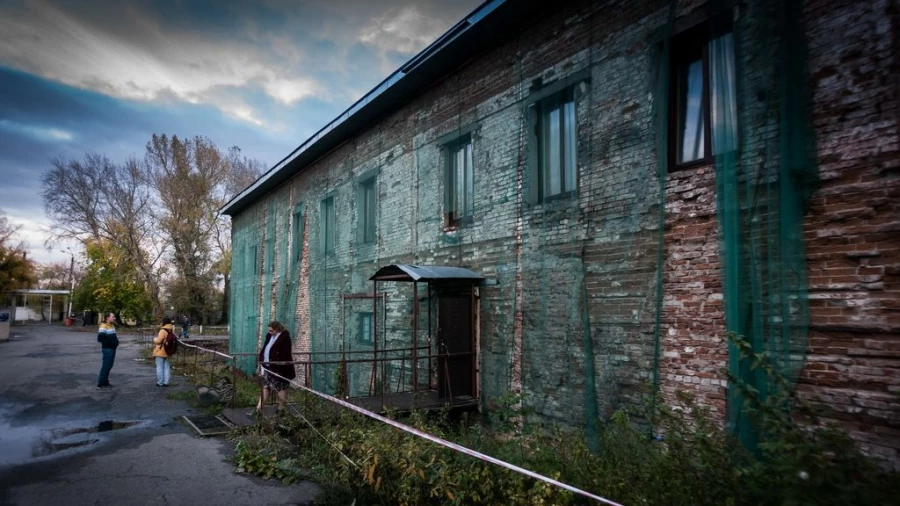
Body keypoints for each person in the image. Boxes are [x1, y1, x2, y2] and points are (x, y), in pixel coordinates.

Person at [253, 320, 296, 415]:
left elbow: (285, 353)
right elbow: (265, 348)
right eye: (269, 330)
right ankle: (259, 408)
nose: (270, 332)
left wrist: (278, 368)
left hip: (279, 368)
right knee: (266, 386)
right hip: (268, 367)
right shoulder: (269, 336)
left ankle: (281, 409)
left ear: (277, 329)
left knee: (280, 387)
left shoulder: (285, 337)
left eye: (272, 330)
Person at [96, 312, 119, 389]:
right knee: (106, 366)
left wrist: (115, 343)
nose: (114, 318)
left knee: (109, 365)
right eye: (113, 317)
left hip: (112, 349)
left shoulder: (111, 325)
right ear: (107, 318)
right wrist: (111, 343)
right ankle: (101, 382)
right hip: (108, 349)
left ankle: (105, 381)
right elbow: (100, 338)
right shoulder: (103, 326)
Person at [152, 317, 175, 387]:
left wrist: (154, 339)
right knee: (167, 367)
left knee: (159, 367)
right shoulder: (171, 330)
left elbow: (159, 341)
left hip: (161, 351)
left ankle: (160, 382)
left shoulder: (162, 330)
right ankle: (166, 382)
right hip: (168, 351)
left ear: (164, 322)